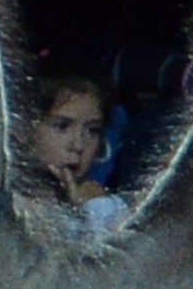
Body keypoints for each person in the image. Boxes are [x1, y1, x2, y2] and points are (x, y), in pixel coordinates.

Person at [25, 76, 125, 230]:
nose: (78, 145)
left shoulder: (111, 210)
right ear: (24, 130)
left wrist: (99, 212)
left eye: (93, 130)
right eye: (62, 126)